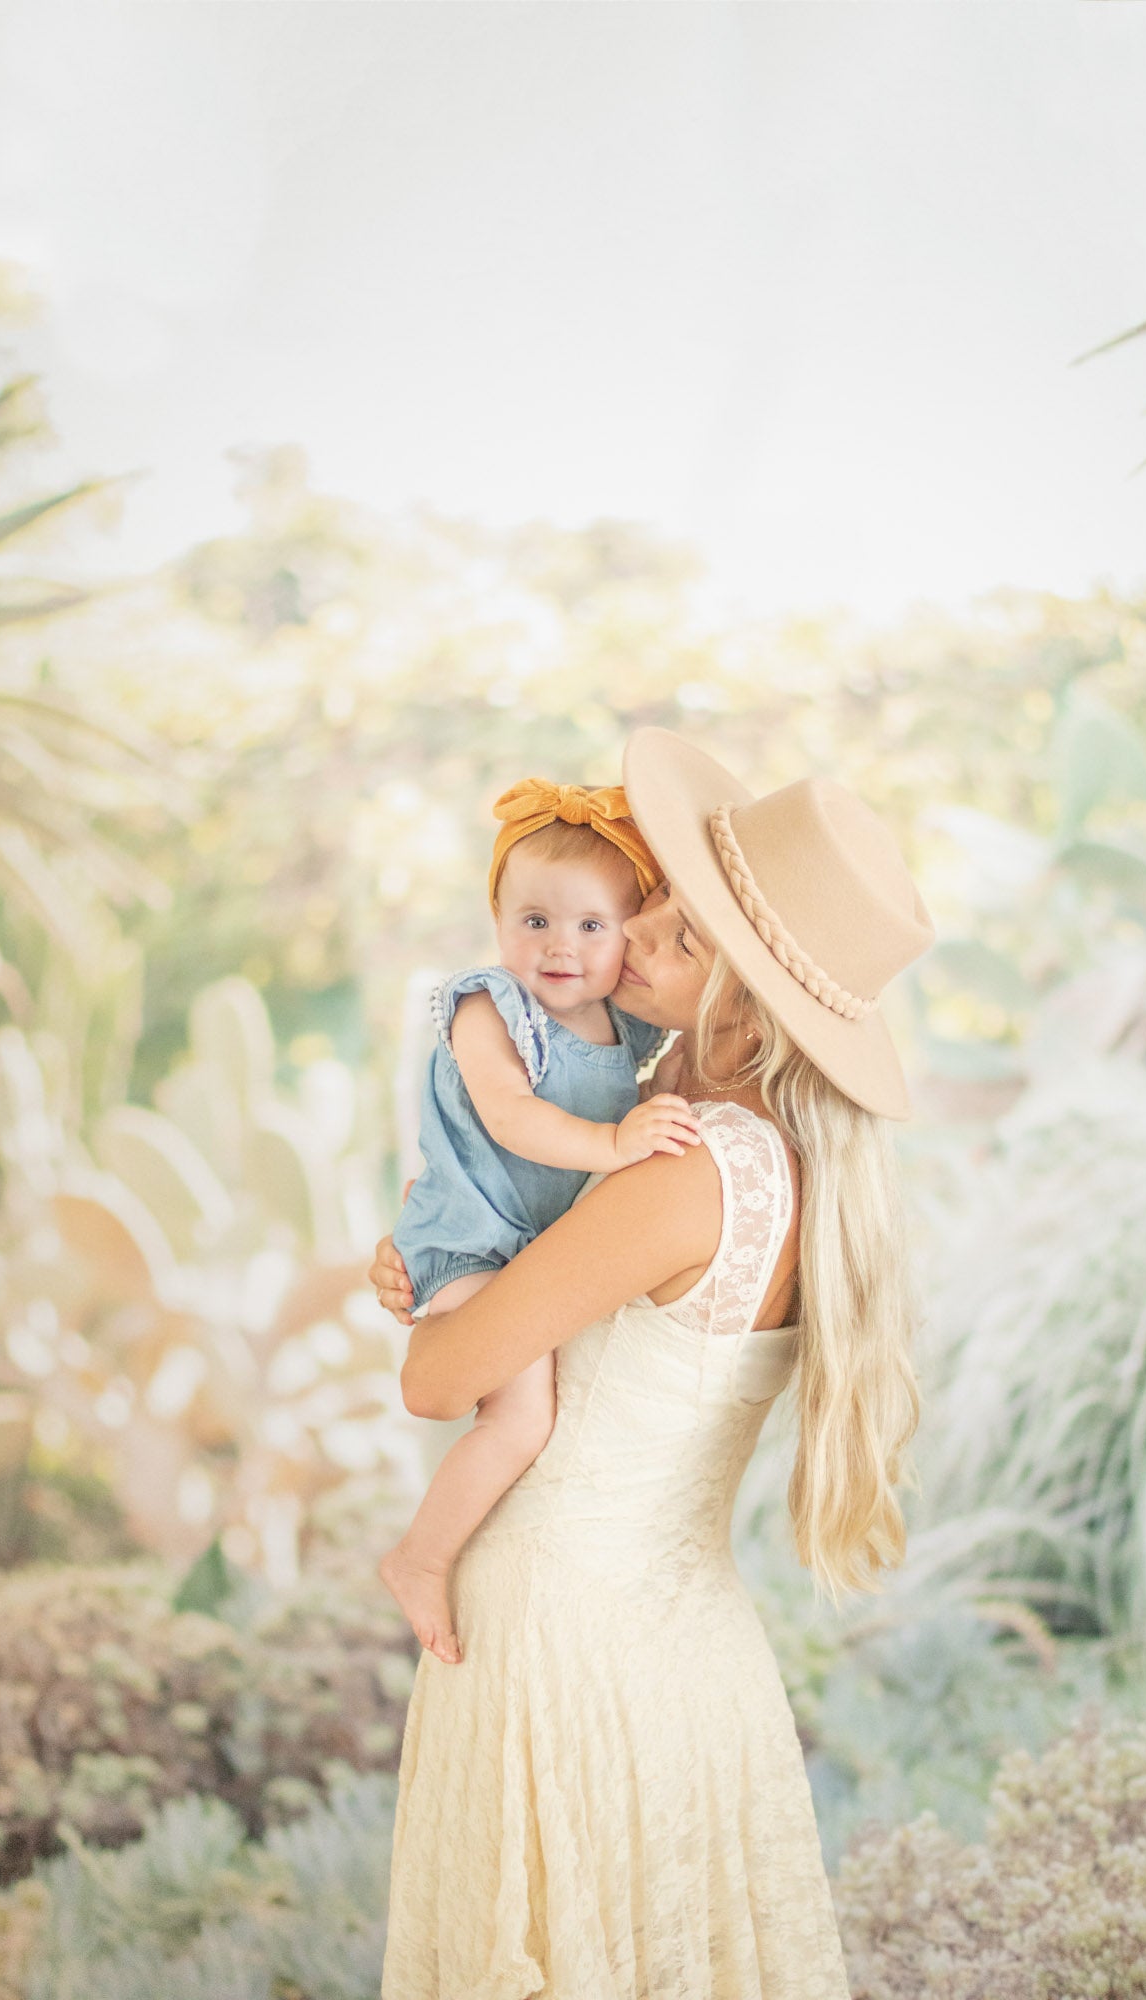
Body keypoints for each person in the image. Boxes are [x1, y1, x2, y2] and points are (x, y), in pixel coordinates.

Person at [369, 726, 935, 1999]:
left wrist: (434, 1285)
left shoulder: (677, 1170)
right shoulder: (771, 1167)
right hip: (692, 1660)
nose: (629, 938)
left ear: (740, 990)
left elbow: (437, 1382)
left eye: (675, 931)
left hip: (559, 1652)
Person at [378, 778, 702, 1665]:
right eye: (534, 921)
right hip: (472, 1243)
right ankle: (419, 1557)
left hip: (527, 1248)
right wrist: (614, 1141)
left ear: (626, 931)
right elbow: (512, 1116)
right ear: (496, 920)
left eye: (591, 926)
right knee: (518, 1419)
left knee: (531, 1406)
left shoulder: (626, 1028)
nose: (560, 947)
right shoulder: (490, 1006)